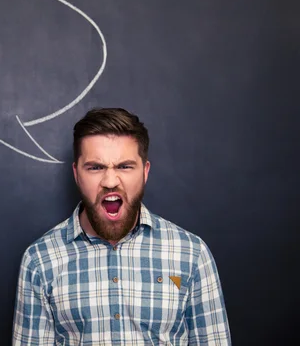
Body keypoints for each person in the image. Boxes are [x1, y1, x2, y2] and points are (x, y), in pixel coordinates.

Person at [12, 107, 231, 345]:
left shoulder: (192, 254)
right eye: (95, 167)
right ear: (76, 174)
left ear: (145, 172)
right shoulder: (40, 260)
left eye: (124, 166)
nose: (110, 181)